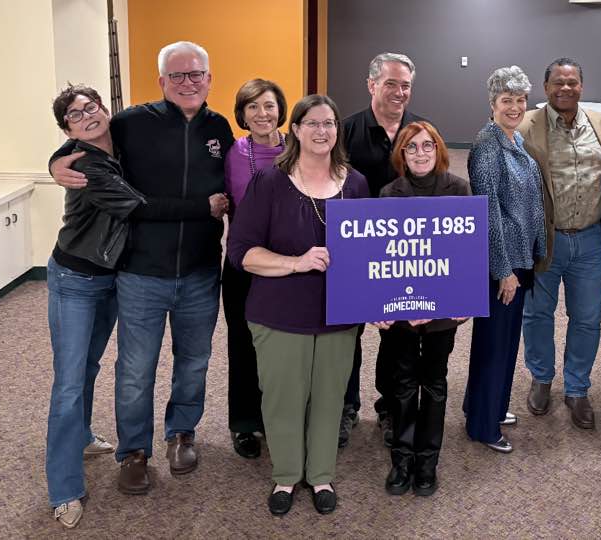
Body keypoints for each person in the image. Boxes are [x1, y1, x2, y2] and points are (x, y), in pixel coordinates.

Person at [49, 41, 233, 494]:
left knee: (194, 362)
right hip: (140, 274)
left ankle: (181, 433)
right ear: (161, 81)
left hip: (200, 271)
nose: (187, 83)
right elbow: (84, 143)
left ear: (209, 78)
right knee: (135, 370)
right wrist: (54, 164)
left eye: (196, 74)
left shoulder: (220, 128)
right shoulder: (132, 122)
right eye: (177, 75)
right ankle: (133, 451)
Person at [227, 94, 369, 515]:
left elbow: (371, 253)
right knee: (283, 399)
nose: (322, 131)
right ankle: (286, 476)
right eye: (312, 124)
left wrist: (379, 302)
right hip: (279, 313)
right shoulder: (270, 182)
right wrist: (295, 262)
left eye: (329, 123)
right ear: (296, 130)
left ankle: (321, 475)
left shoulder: (356, 184)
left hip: (339, 315)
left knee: (330, 397)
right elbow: (241, 252)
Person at [45, 84, 146, 529]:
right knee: (69, 383)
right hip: (75, 279)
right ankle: (64, 489)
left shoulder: (121, 139)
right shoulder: (83, 163)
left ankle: (83, 436)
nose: (86, 116)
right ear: (68, 130)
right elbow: (137, 207)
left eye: (91, 107)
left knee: (88, 366)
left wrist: (52, 162)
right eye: (74, 115)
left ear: (104, 108)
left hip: (112, 278)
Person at [517, 58, 601, 430]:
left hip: (591, 239)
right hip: (546, 238)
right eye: (558, 82)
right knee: (537, 314)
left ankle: (577, 388)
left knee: (587, 319)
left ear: (581, 86)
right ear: (545, 87)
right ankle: (541, 377)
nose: (565, 88)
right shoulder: (525, 125)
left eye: (572, 82)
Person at [374, 122, 471, 497]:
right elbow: (381, 258)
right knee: (402, 386)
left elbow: (465, 253)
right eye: (411, 147)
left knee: (433, 384)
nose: (420, 153)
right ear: (401, 153)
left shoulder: (458, 189)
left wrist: (461, 301)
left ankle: (427, 462)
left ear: (439, 149)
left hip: (443, 312)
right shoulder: (388, 194)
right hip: (400, 310)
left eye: (427, 145)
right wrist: (382, 305)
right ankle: (401, 460)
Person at [339, 52, 430, 448]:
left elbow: (435, 185)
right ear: (371, 84)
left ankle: (390, 406)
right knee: (347, 334)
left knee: (399, 337)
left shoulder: (421, 130)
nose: (399, 92)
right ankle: (345, 406)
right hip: (354, 253)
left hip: (403, 255)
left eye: (405, 85)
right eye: (391, 83)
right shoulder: (345, 131)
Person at [464, 66, 546, 453]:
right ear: (492, 103)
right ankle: (483, 426)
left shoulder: (514, 139)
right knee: (494, 344)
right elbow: (488, 211)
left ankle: (489, 406)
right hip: (503, 265)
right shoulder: (487, 145)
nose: (514, 107)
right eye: (506, 100)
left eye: (520, 100)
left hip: (520, 259)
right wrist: (503, 270)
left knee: (506, 341)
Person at [223, 79, 288, 459]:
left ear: (281, 110)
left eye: (269, 106)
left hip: (288, 262)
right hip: (244, 262)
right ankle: (245, 422)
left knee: (285, 345)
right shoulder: (231, 152)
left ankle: (280, 418)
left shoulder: (296, 149)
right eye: (253, 107)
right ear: (242, 115)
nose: (262, 114)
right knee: (243, 343)